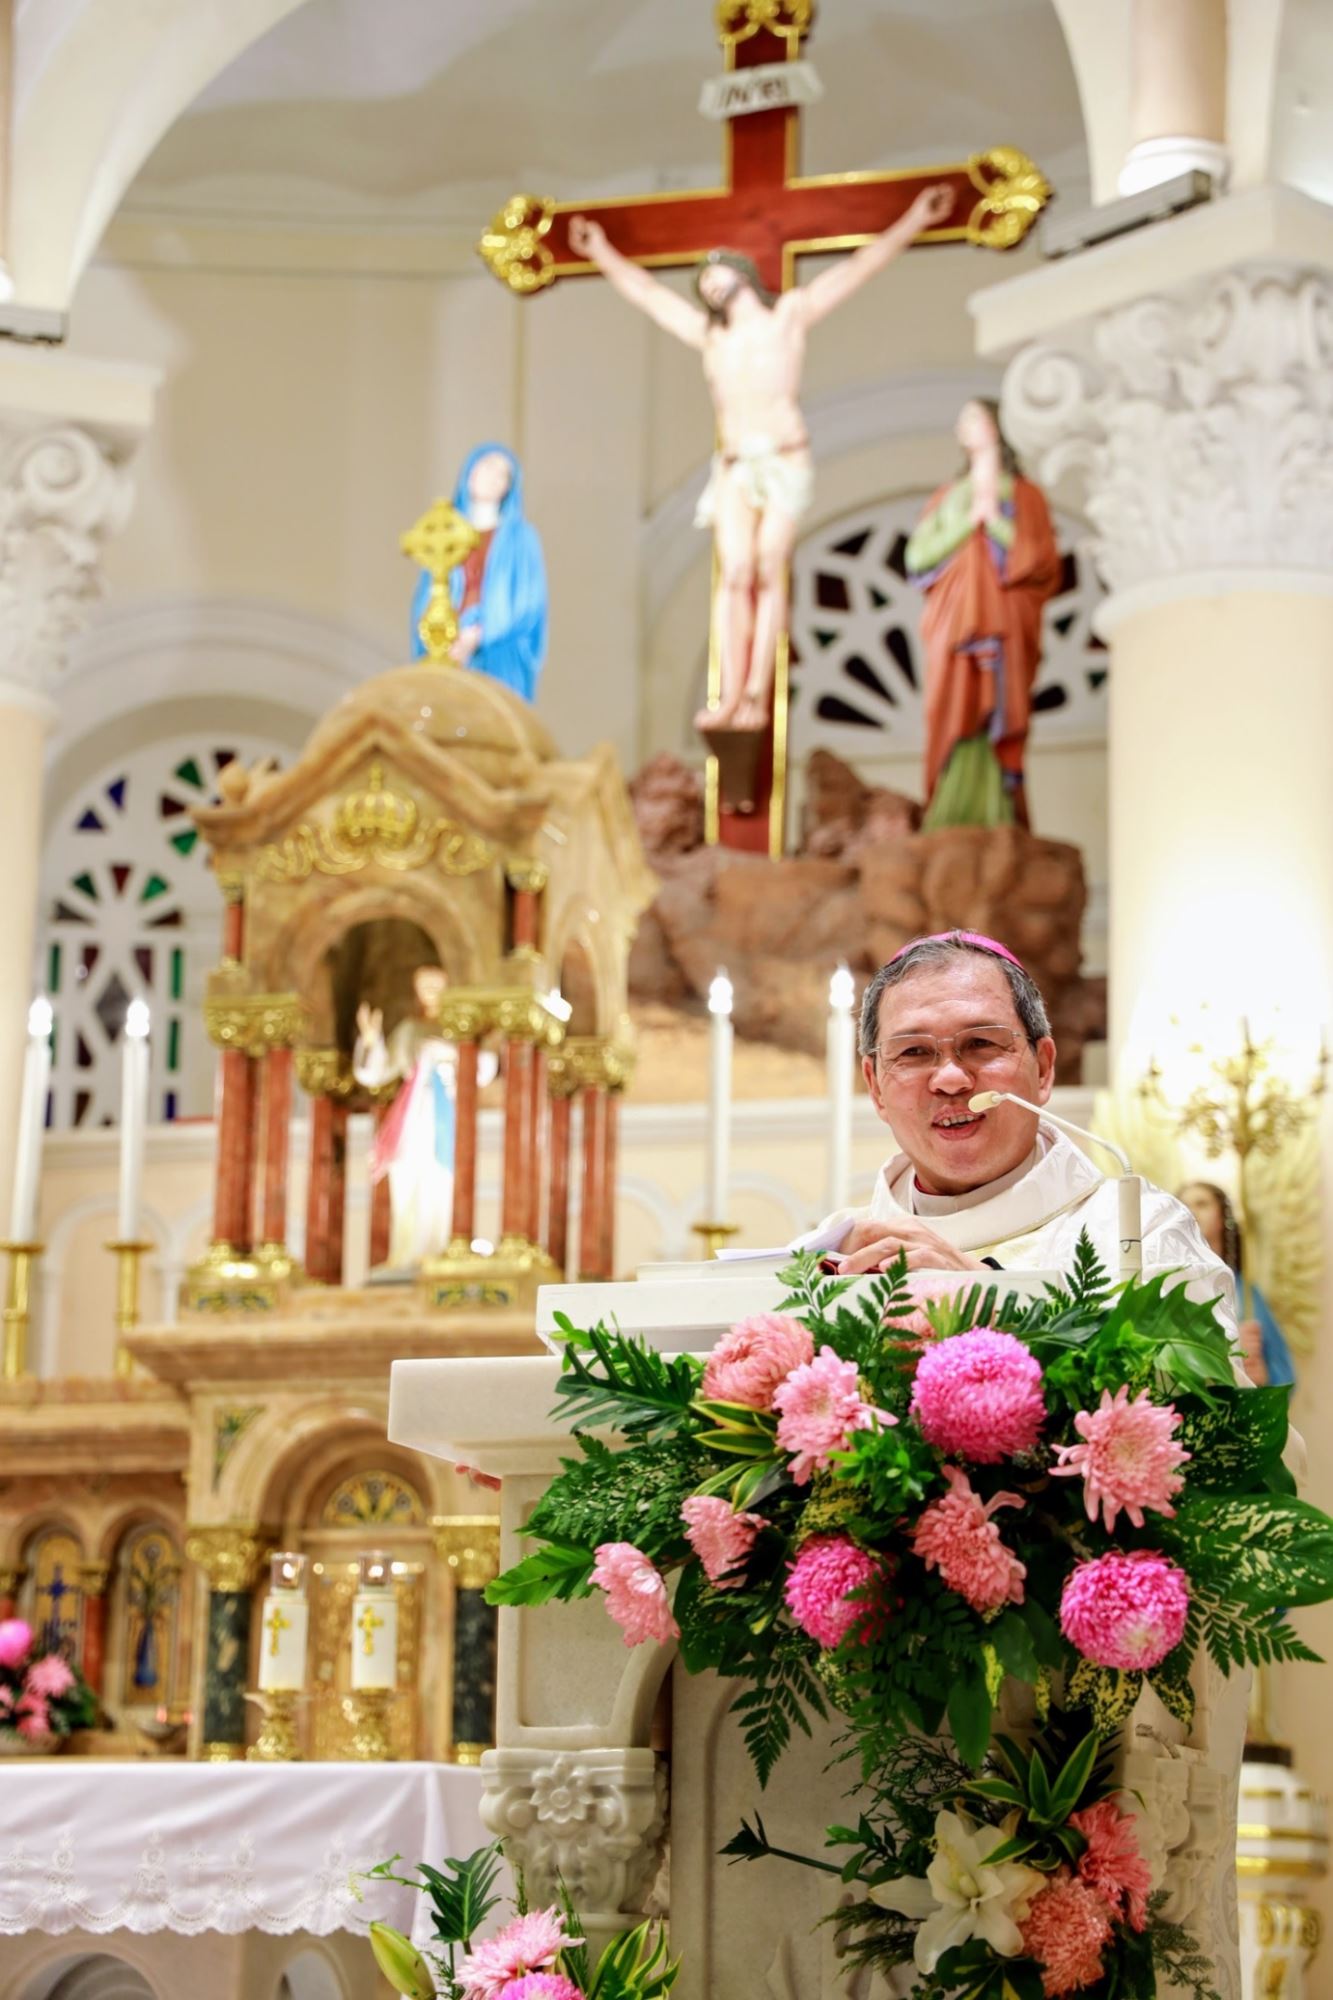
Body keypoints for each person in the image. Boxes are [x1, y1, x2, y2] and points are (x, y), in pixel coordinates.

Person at [569, 186, 955, 734]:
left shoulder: (788, 317)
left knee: (770, 568)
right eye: (702, 282)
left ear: (742, 273)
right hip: (734, 469)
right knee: (734, 574)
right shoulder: (711, 337)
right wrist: (601, 252)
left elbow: (858, 269)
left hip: (784, 461)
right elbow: (649, 296)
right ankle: (728, 694)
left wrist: (914, 219)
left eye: (715, 273)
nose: (708, 284)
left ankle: (756, 691)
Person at [797, 931, 1237, 1342]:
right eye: (913, 1051)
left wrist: (991, 1301)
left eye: (981, 1043)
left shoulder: (1140, 1232)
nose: (949, 1079)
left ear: (1043, 1068)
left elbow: (1195, 1390)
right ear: (875, 1086)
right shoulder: (831, 1257)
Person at [904, 399, 1060, 831]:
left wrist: (994, 522)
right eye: (962, 418)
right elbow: (917, 556)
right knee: (952, 702)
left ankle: (1000, 811)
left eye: (973, 416)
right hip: (954, 617)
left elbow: (1041, 559)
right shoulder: (947, 496)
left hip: (1004, 617)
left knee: (1001, 705)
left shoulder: (1025, 495)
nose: (963, 424)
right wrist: (966, 522)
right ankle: (948, 809)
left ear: (997, 426)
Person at [352, 965, 498, 1269]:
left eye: (436, 985)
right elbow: (377, 1072)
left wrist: (451, 1054)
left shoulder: (460, 1028)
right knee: (407, 1179)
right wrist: (371, 1041)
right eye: (424, 986)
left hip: (446, 1115)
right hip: (414, 1115)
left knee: (440, 1183)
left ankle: (441, 1247)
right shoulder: (409, 1029)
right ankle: (407, 1253)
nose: (430, 991)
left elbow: (484, 1068)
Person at [409, 443, 548, 702]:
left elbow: (527, 603)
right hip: (446, 645)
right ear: (469, 472)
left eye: (501, 473)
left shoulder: (521, 538)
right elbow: (428, 591)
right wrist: (442, 635)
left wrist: (479, 635)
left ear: (509, 486)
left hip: (496, 653)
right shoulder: (444, 531)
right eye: (485, 467)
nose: (491, 477)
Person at [1179, 1181, 1296, 1389]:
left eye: (1202, 1204)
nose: (1192, 1212)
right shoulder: (1170, 1284)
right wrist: (1230, 1346)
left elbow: (1284, 1373)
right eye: (1184, 1205)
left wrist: (1264, 1378)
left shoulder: (1246, 1292)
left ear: (1222, 1218)